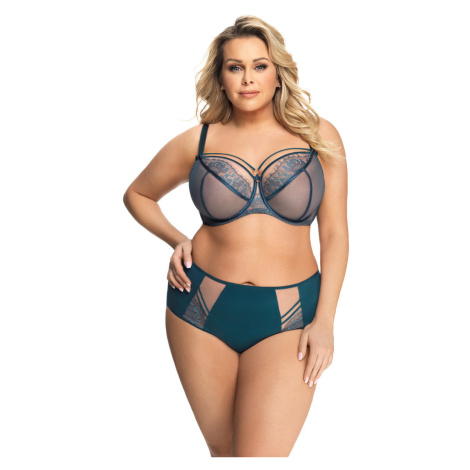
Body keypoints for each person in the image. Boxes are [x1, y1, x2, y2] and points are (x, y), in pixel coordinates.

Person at [123, 15, 348, 458]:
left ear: (278, 73)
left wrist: (325, 321)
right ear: (221, 77)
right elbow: (138, 195)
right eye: (235, 67)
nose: (248, 79)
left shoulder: (318, 136)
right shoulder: (199, 141)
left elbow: (336, 232)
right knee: (225, 453)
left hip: (290, 313)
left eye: (259, 66)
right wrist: (175, 238)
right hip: (199, 306)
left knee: (258, 456)